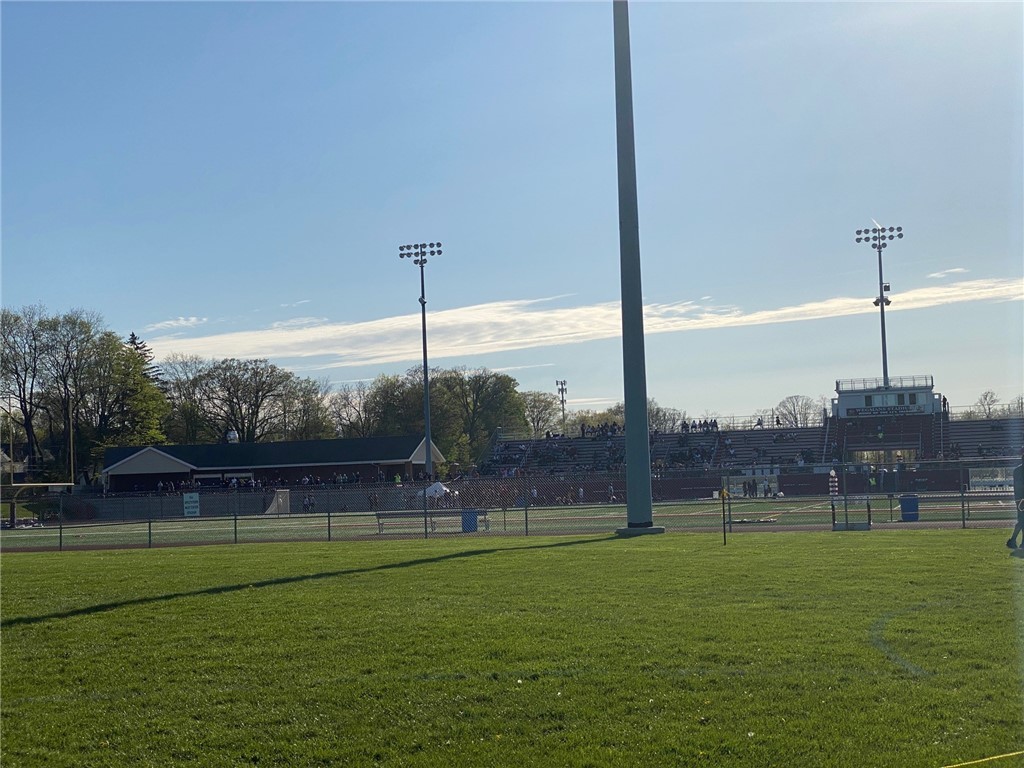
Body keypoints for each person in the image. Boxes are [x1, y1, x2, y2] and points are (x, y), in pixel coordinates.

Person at [1007, 453, 1024, 549]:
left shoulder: (1017, 470)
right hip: (1022, 498)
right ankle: (1013, 540)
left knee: (1021, 520)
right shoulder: (1019, 471)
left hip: (1019, 498)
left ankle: (1017, 542)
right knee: (1022, 521)